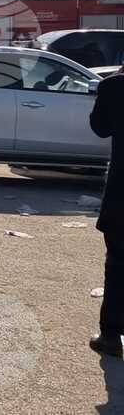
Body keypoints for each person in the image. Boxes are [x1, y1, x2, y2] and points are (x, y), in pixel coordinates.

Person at [89, 68, 124, 357]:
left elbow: (99, 127)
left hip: (122, 194)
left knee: (117, 263)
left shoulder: (113, 86)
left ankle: (111, 335)